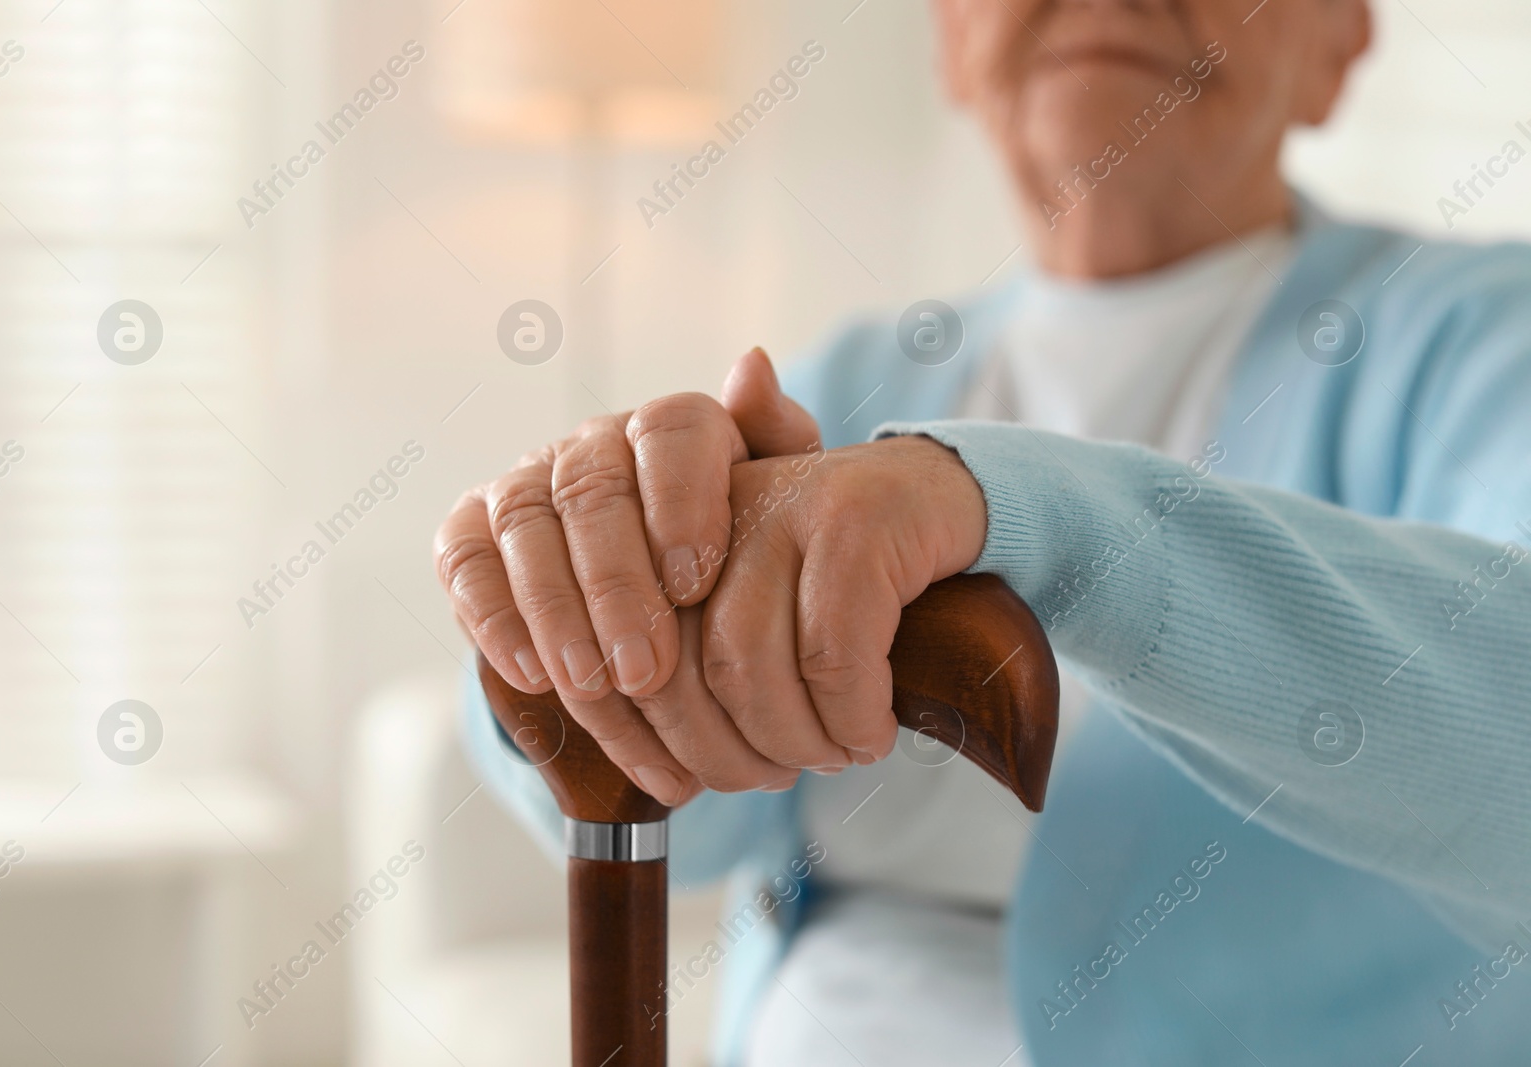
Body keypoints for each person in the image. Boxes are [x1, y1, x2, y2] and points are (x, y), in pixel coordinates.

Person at [435, 0, 1531, 1063]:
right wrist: (580, 609)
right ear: (953, 40)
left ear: (1340, 41)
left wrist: (1013, 511)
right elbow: (682, 816)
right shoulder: (851, 377)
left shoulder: (1479, 337)